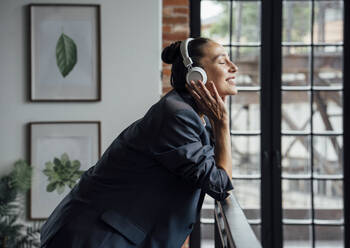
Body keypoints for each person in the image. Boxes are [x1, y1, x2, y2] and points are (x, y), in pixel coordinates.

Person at [40, 37, 239, 248]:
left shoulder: (196, 115)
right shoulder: (177, 116)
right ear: (196, 75)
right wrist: (223, 123)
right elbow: (219, 184)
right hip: (95, 237)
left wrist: (217, 122)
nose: (233, 67)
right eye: (222, 61)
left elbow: (212, 171)